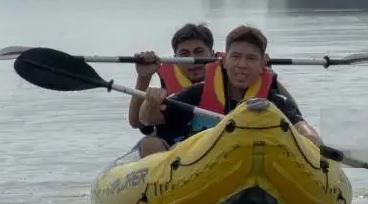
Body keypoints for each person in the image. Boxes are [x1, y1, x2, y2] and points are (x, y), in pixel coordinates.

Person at [135, 24, 322, 156]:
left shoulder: (275, 101)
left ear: (262, 64)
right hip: (197, 165)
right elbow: (145, 119)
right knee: (150, 143)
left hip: (251, 161)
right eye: (236, 57)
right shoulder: (196, 93)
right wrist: (151, 102)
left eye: (251, 58)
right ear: (224, 60)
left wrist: (309, 136)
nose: (242, 65)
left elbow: (300, 125)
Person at [127, 22, 215, 133]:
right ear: (175, 59)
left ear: (212, 54)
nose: (192, 59)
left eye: (199, 51)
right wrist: (143, 78)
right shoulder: (165, 93)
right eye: (184, 54)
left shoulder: (230, 80)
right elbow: (136, 123)